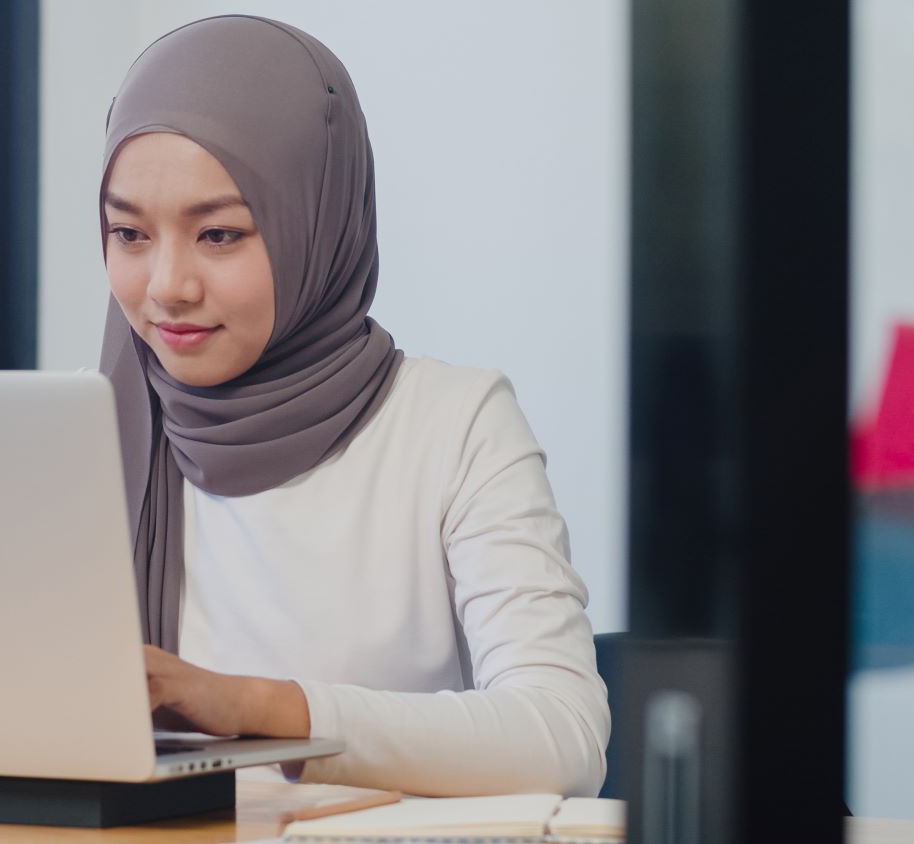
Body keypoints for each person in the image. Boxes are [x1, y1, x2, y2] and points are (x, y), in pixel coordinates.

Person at [97, 15, 609, 798]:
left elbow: (562, 736)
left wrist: (258, 706)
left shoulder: (455, 424)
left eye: (221, 234)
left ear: (320, 221)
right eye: (129, 233)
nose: (168, 285)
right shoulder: (87, 436)